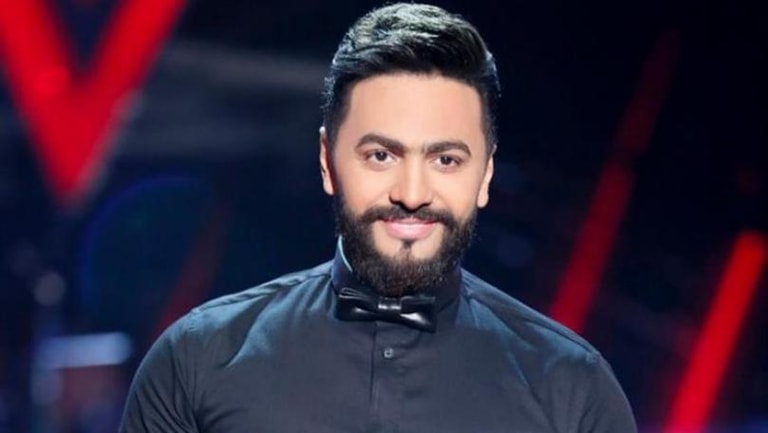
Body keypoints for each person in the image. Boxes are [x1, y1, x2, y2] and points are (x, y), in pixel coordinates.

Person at [119, 3, 637, 432]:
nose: (411, 194)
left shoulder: (573, 389)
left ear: (485, 175)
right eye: (381, 156)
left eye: (445, 160)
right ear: (328, 162)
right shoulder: (196, 362)